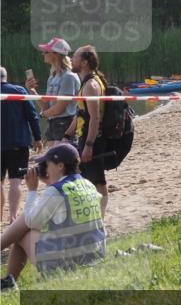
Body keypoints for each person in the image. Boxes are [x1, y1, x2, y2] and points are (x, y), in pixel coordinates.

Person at [0, 142, 105, 291]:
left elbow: (30, 221)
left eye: (47, 164)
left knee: (21, 234)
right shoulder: (88, 184)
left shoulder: (56, 191)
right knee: (27, 228)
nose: (46, 169)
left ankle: (8, 282)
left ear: (60, 165)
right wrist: (50, 182)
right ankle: (8, 282)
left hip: (66, 265)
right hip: (94, 256)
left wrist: (32, 190)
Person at [68, 46, 113, 217]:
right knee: (85, 178)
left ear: (84, 62)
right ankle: (92, 215)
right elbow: (81, 113)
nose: (71, 59)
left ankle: (100, 217)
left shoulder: (91, 85)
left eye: (75, 57)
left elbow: (95, 118)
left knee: (97, 181)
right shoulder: (86, 83)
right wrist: (66, 135)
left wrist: (89, 144)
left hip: (93, 139)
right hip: (84, 137)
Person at [1, 67, 43, 223]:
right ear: (6, 77)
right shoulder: (19, 91)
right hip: (18, 143)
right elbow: (32, 116)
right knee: (15, 181)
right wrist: (37, 138)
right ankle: (12, 216)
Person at [26, 37, 80, 146]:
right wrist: (32, 91)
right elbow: (46, 106)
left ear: (56, 54)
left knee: (59, 156)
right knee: (51, 156)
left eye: (46, 52)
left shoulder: (68, 76)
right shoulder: (52, 77)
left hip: (65, 124)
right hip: (53, 123)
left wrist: (43, 115)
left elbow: (60, 108)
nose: (43, 54)